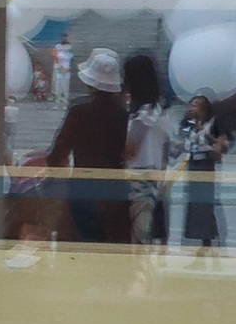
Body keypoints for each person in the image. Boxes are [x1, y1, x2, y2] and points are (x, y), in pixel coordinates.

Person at [45, 44, 128, 242]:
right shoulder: (124, 116)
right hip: (115, 192)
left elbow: (58, 152)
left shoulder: (79, 112)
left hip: (83, 189)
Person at [122, 52, 171, 246]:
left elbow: (130, 147)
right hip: (152, 177)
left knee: (139, 237)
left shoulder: (146, 114)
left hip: (139, 179)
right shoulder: (159, 110)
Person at [175, 93, 231, 251]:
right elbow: (180, 141)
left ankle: (211, 238)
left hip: (206, 164)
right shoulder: (187, 124)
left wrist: (207, 135)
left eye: (196, 105)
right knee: (195, 204)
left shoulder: (214, 123)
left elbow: (223, 146)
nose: (193, 108)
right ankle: (202, 238)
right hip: (192, 163)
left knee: (205, 203)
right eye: (191, 105)